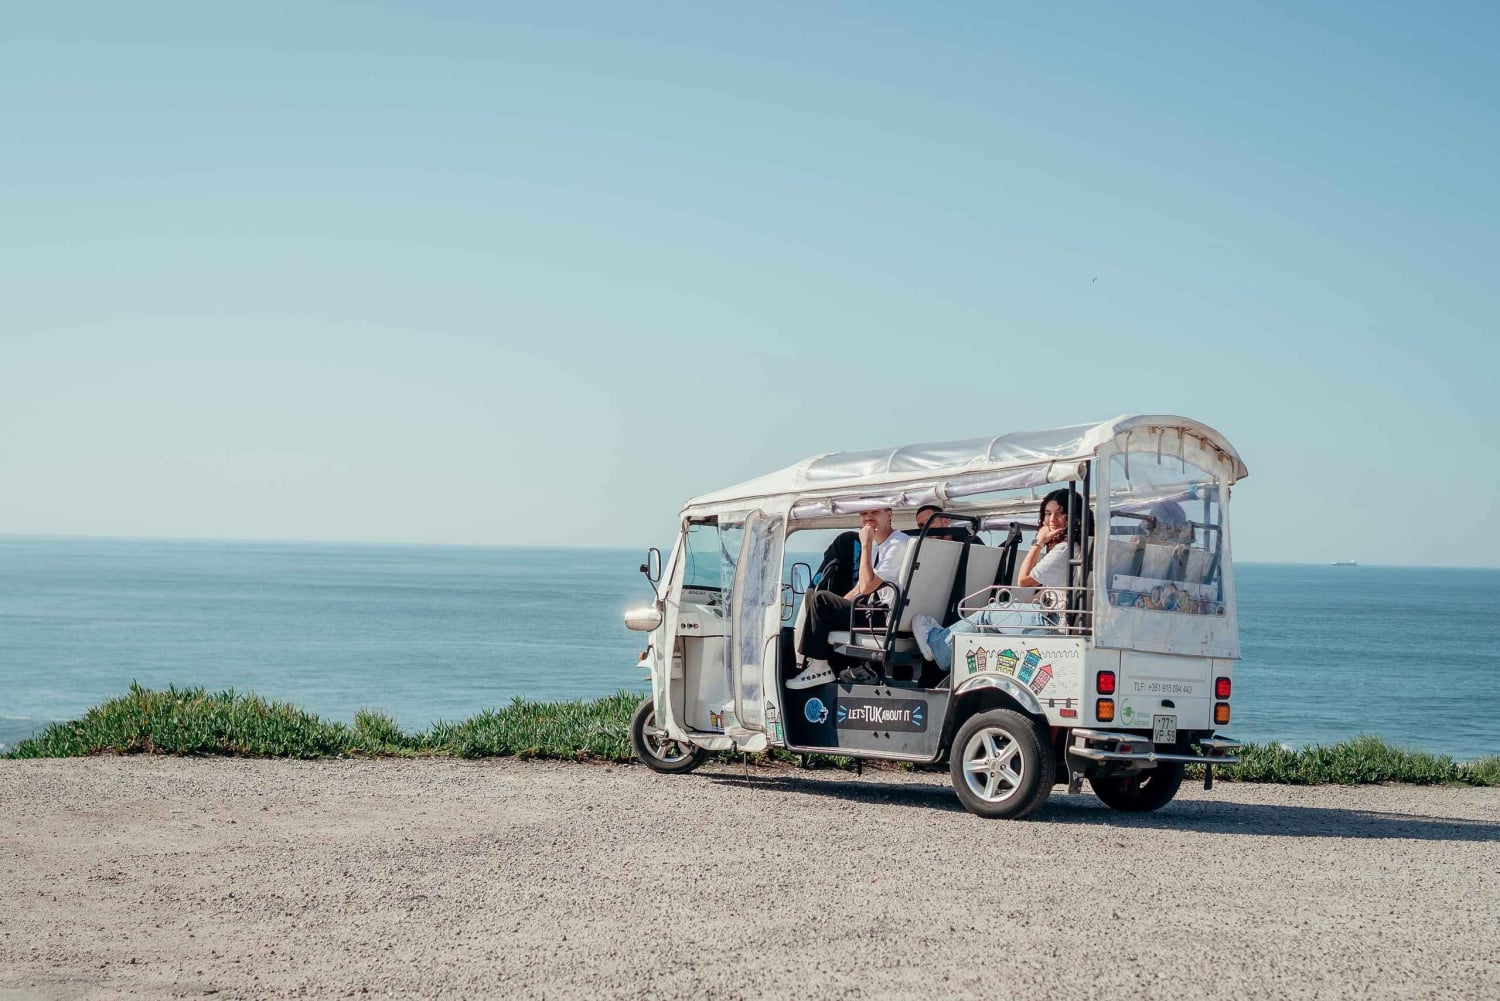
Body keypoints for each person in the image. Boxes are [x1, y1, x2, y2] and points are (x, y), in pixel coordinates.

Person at [911, 488, 1093, 672]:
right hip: (1057, 619)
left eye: (1060, 513)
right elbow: (1047, 593)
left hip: (1051, 623)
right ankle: (948, 643)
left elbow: (1024, 580)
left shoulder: (1064, 549)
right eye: (1048, 513)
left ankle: (938, 647)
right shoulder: (1083, 547)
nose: (1052, 519)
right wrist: (1018, 608)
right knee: (998, 616)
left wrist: (1038, 542)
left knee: (988, 613)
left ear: (1074, 518)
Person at [787, 507, 909, 689]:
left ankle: (819, 667)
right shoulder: (881, 544)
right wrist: (840, 605)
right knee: (823, 602)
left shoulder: (897, 544)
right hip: (873, 612)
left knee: (821, 600)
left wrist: (866, 545)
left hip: (882, 617)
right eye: (863, 513)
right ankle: (843, 667)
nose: (868, 517)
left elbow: (868, 585)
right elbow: (861, 587)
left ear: (889, 514)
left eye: (874, 512)